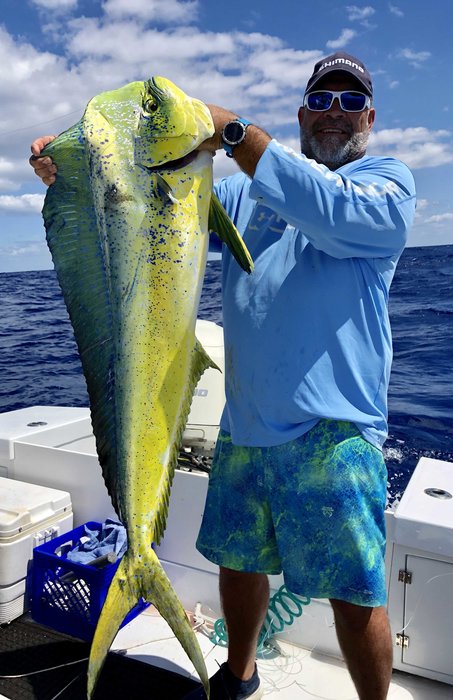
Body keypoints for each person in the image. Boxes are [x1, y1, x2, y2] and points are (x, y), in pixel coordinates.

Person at [30, 51, 416, 700]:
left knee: (353, 595)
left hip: (335, 433)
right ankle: (238, 674)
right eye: (321, 100)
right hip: (245, 421)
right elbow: (149, 215)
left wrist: (236, 132)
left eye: (350, 103)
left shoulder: (386, 182)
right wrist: (80, 174)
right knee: (238, 566)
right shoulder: (240, 189)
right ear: (302, 112)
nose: (334, 113)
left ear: (369, 118)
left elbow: (334, 211)